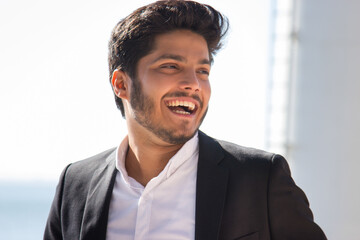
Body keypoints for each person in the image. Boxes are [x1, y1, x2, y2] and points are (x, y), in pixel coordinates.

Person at [44, 1, 327, 239]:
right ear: (121, 84)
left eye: (202, 71)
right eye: (171, 66)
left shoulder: (260, 178)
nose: (193, 83)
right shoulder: (75, 184)